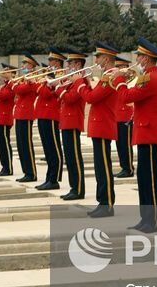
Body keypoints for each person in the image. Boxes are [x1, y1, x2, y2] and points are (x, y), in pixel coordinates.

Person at [118, 38, 157, 233]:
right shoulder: (148, 76)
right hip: (146, 132)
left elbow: (126, 97)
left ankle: (154, 220)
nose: (136, 59)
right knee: (144, 178)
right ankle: (145, 218)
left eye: (139, 56)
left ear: (146, 59)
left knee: (151, 180)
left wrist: (120, 80)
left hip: (150, 134)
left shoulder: (150, 78)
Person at [82, 42, 124, 217]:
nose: (96, 59)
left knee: (104, 166)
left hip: (103, 125)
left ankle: (106, 203)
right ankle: (102, 201)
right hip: (100, 125)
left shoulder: (109, 78)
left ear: (106, 59)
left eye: (98, 57)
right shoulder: (106, 77)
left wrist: (79, 84)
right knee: (100, 166)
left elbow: (92, 97)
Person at [55, 49, 90, 201]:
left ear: (78, 64)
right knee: (69, 157)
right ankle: (73, 187)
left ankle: (79, 189)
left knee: (74, 157)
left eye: (71, 63)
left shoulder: (81, 81)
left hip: (73, 121)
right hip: (66, 121)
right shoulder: (72, 81)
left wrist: (59, 87)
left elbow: (71, 99)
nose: (68, 66)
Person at [34, 48, 66, 190]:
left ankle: (54, 178)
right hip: (42, 114)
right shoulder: (49, 75)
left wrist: (43, 84)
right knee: (47, 148)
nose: (48, 63)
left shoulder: (61, 75)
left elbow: (47, 94)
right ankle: (49, 177)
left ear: (57, 62)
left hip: (52, 114)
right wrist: (43, 83)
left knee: (54, 148)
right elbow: (39, 90)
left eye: (51, 60)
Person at [13, 53, 40, 182]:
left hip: (26, 114)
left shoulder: (33, 78)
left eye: (25, 63)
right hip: (19, 113)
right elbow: (17, 89)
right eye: (23, 63)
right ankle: (26, 172)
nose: (22, 65)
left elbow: (19, 90)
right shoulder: (24, 78)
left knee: (26, 145)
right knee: (20, 145)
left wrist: (17, 85)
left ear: (31, 66)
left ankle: (31, 173)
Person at [0, 63, 16, 176]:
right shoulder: (7, 85)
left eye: (7, 71)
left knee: (5, 144)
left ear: (12, 73)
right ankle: (4, 167)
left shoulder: (12, 85)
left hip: (5, 118)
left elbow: (2, 96)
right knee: (1, 144)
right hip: (0, 117)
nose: (3, 72)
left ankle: (8, 168)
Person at [113, 54, 135, 178]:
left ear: (125, 67)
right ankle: (123, 167)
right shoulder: (117, 80)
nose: (117, 69)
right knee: (119, 144)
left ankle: (129, 168)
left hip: (126, 115)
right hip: (117, 115)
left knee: (126, 144)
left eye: (119, 67)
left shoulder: (130, 81)